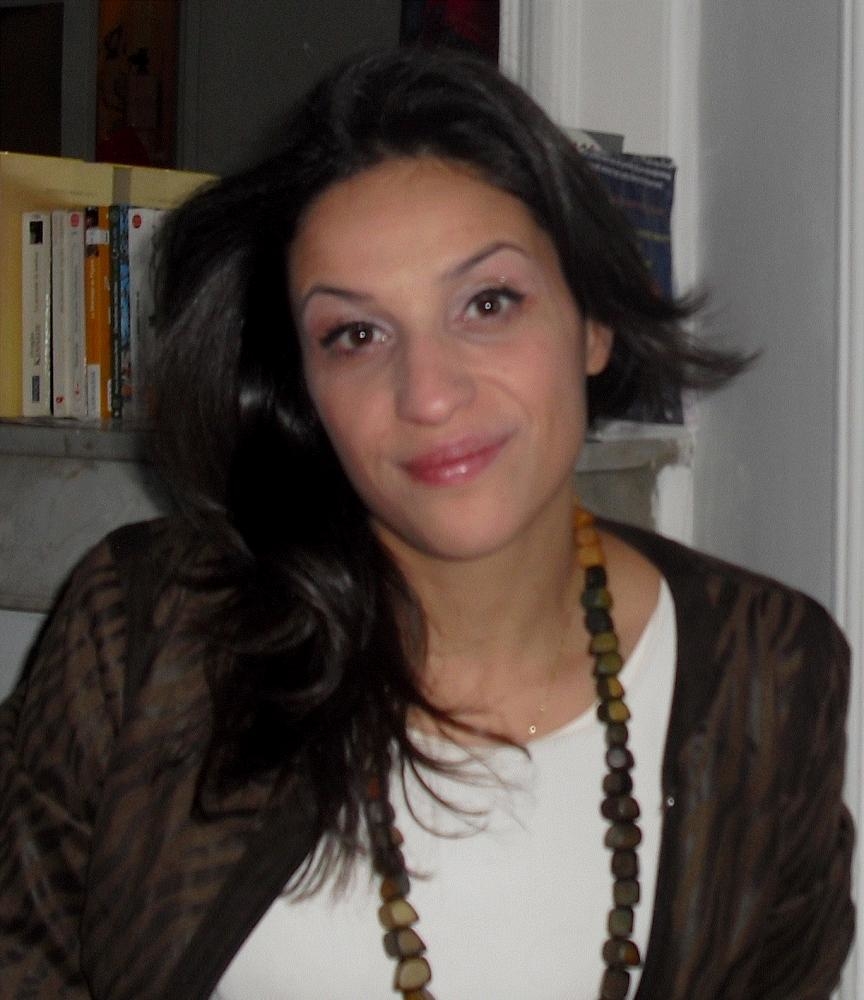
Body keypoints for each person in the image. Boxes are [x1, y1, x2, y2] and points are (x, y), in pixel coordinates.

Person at [0, 47, 853, 1000]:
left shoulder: (766, 675)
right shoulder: (149, 634)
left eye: (488, 303)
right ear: (303, 388)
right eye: (356, 335)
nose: (430, 394)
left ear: (592, 322)